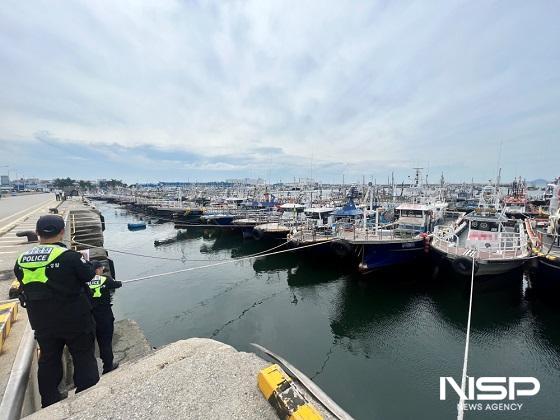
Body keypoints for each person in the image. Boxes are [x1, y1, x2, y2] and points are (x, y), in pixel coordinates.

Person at [14, 215, 99, 408]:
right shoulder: (69, 256)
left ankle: (50, 403)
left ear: (37, 233)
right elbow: (88, 275)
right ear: (62, 232)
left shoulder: (21, 260)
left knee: (49, 359)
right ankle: (87, 401)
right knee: (83, 356)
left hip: (42, 322)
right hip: (75, 319)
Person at [86, 261, 122, 374]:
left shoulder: (84, 282)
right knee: (105, 341)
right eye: (101, 268)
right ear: (97, 270)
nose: (102, 270)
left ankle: (90, 372)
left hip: (89, 317)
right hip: (104, 315)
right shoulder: (105, 279)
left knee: (88, 345)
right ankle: (108, 365)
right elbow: (117, 284)